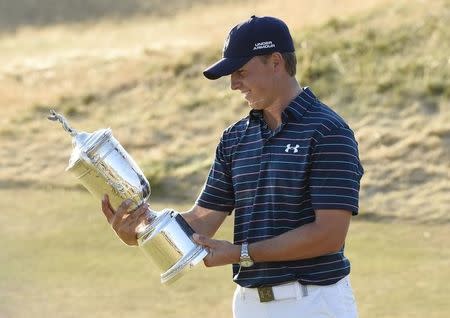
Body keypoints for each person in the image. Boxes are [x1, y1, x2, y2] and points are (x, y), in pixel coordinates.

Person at [101, 15, 364, 318]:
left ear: (275, 62)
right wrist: (142, 231)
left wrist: (242, 253)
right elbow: (201, 222)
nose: (233, 85)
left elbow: (329, 235)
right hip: (248, 305)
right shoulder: (236, 138)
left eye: (241, 71)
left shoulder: (327, 132)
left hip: (314, 303)